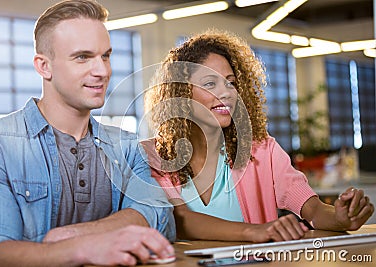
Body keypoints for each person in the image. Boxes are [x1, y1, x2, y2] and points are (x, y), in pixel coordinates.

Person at [0, 0, 176, 266]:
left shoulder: (126, 146)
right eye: (82, 57)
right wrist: (83, 248)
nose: (103, 71)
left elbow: (159, 214)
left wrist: (70, 235)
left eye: (105, 56)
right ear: (43, 66)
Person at [143, 29, 374, 243]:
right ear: (181, 93)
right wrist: (256, 230)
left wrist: (340, 218)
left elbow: (311, 208)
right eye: (210, 83)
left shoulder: (262, 151)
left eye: (231, 83)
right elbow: (179, 220)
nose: (226, 92)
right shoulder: (154, 158)